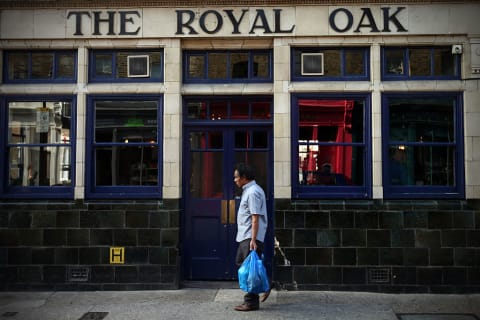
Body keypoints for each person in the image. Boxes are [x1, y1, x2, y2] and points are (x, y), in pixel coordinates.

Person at [233, 163, 271, 312]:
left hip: (250, 236)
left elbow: (255, 217)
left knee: (249, 271)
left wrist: (253, 240)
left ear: (244, 177)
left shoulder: (253, 192)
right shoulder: (249, 190)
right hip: (245, 235)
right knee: (242, 264)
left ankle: (251, 302)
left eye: (236, 177)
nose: (234, 180)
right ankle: (266, 282)